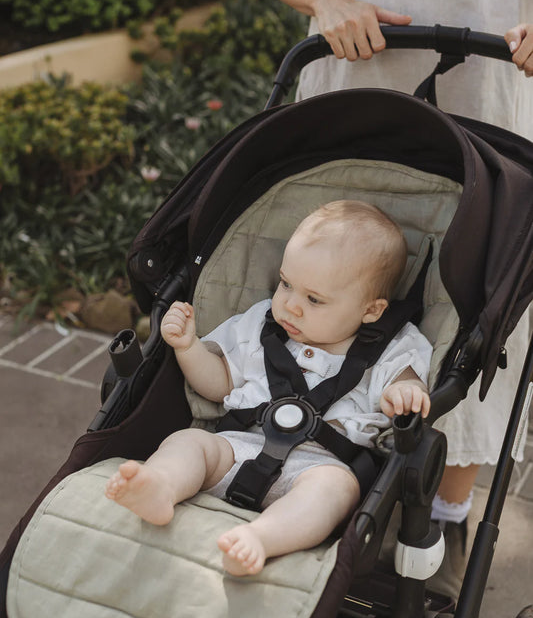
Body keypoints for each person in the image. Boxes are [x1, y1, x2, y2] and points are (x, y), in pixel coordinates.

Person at [260, 0, 533, 592]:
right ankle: (317, 469)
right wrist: (325, 0)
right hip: (354, 79)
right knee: (335, 284)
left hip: (493, 84)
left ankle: (446, 516)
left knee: (477, 301)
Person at [106, 200, 432, 576]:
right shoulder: (259, 325)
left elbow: (406, 382)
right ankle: (161, 486)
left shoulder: (391, 346)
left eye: (313, 299)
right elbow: (218, 384)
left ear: (371, 311)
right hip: (239, 447)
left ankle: (261, 538)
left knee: (335, 491)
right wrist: (188, 347)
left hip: (321, 465)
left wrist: (405, 394)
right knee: (189, 442)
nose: (290, 305)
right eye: (285, 283)